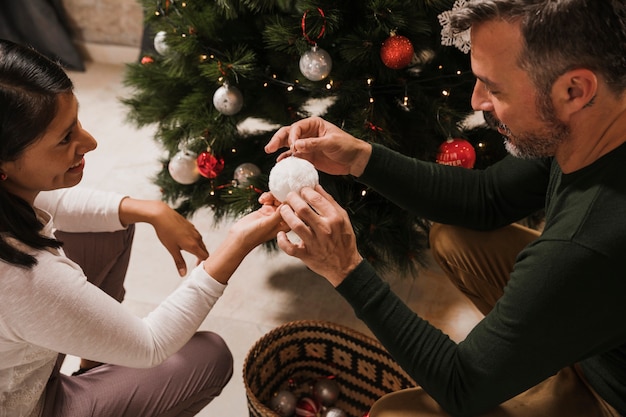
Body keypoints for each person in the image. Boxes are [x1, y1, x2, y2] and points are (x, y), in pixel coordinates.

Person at [264, 1, 626, 416]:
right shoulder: (598, 118)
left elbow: (461, 386)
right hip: (596, 323)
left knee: (394, 414)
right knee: (454, 236)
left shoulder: (584, 245)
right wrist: (358, 157)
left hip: (610, 393)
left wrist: (344, 267)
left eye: (495, 87)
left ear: (574, 90)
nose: (476, 101)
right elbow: (489, 197)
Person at [0, 38, 286, 417]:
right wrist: (237, 244)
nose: (91, 142)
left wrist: (149, 210)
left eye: (77, 123)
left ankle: (97, 365)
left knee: (113, 223)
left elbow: (59, 205)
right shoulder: (24, 277)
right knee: (209, 356)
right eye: (65, 139)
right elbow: (150, 345)